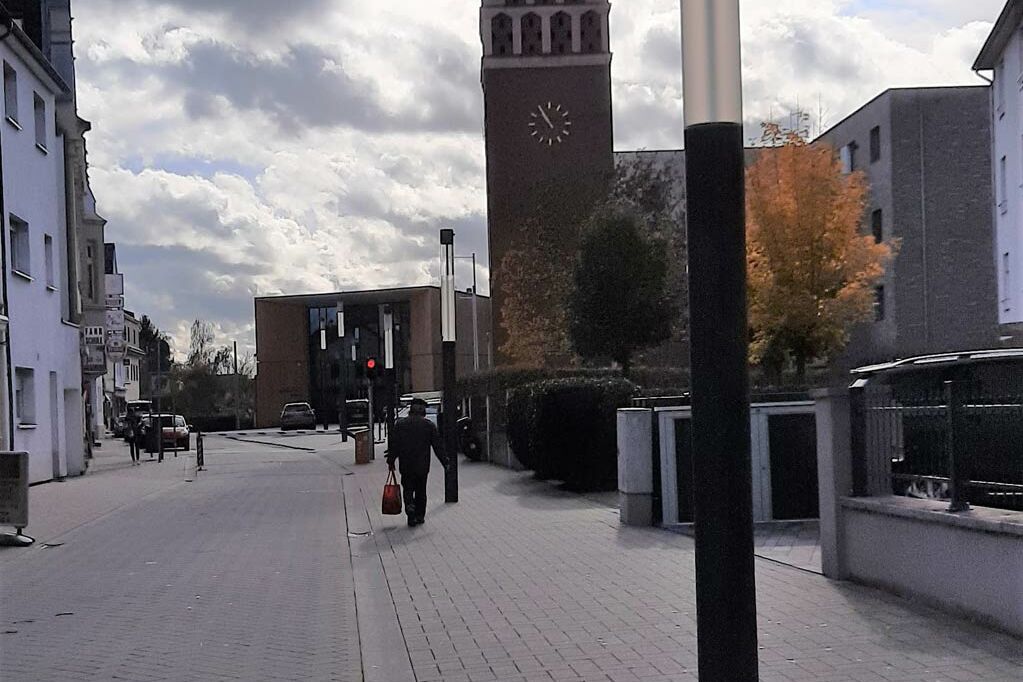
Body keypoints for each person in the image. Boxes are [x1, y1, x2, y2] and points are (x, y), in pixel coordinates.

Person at [385, 398, 448, 527]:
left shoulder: (400, 425)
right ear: (422, 410)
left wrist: (391, 460)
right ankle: (419, 515)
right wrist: (445, 462)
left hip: (406, 465)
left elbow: (395, 445)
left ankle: (410, 508)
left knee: (408, 489)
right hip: (422, 466)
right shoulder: (429, 425)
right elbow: (438, 447)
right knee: (421, 491)